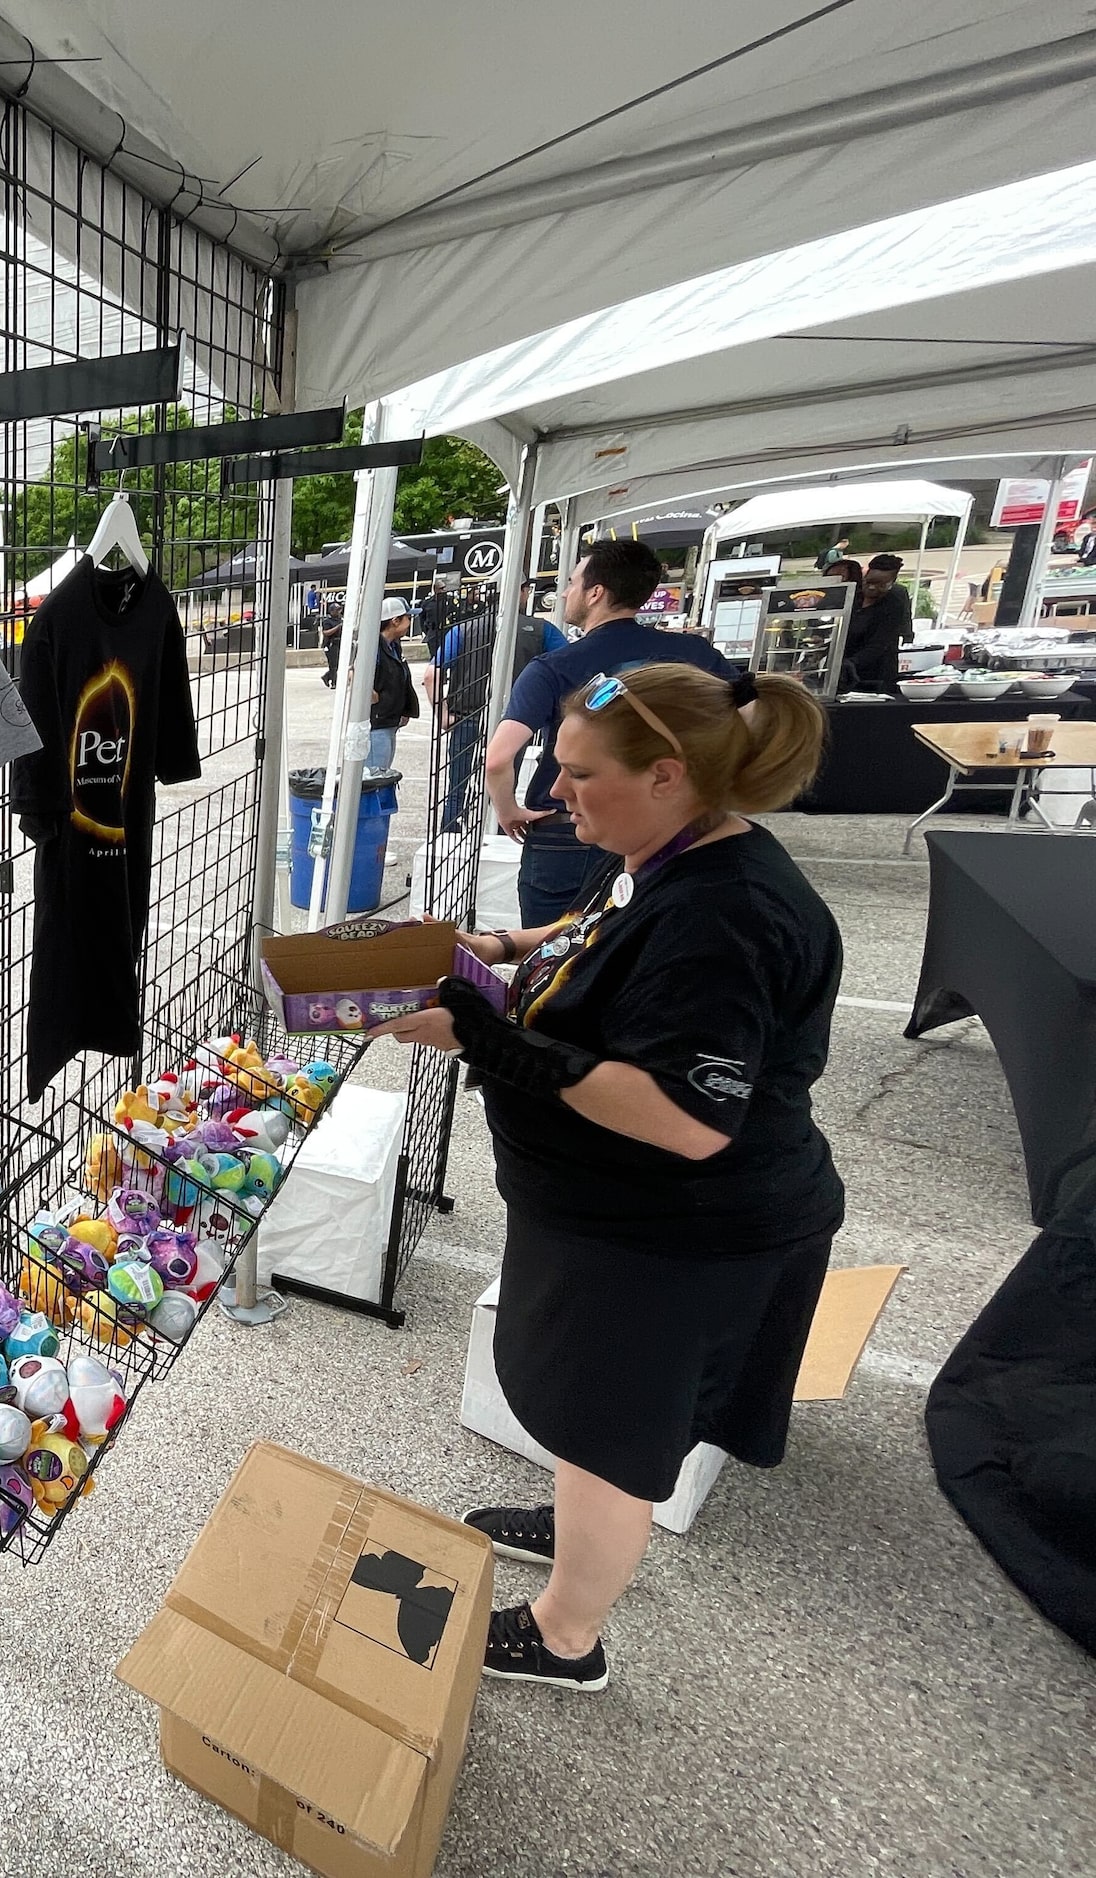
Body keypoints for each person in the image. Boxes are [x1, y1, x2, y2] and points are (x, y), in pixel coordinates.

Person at [372, 662, 842, 1692]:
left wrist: (479, 1040)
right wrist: (489, 949)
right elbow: (585, 934)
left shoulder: (724, 916)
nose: (554, 792)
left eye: (579, 775)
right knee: (594, 1416)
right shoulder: (661, 850)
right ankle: (585, 1507)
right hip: (608, 1217)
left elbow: (683, 1119)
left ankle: (564, 1635)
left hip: (680, 1233)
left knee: (616, 1431)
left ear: (666, 774)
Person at [484, 539, 734, 925]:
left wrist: (509, 811)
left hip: (571, 827)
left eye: (571, 582)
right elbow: (754, 719)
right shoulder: (696, 654)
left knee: (553, 960)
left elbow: (499, 758)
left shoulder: (554, 666)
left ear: (596, 592)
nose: (565, 592)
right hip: (669, 824)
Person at [428, 582, 569, 832]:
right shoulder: (541, 630)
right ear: (522, 591)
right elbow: (569, 670)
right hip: (516, 720)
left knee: (457, 784)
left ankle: (449, 832)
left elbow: (432, 674)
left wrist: (443, 713)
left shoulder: (463, 629)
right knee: (505, 781)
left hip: (467, 715)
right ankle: (499, 830)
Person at [840, 553, 914, 691]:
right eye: (869, 582)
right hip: (844, 671)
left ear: (893, 582)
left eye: (882, 585)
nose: (873, 588)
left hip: (876, 675)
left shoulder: (894, 603)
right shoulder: (853, 596)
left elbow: (879, 644)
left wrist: (851, 662)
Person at [367, 596, 420, 771]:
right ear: (395, 621)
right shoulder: (374, 647)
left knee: (383, 774)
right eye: (408, 618)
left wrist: (405, 709)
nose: (410, 622)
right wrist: (371, 696)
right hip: (378, 723)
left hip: (389, 721)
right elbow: (355, 672)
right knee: (376, 776)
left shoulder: (393, 646)